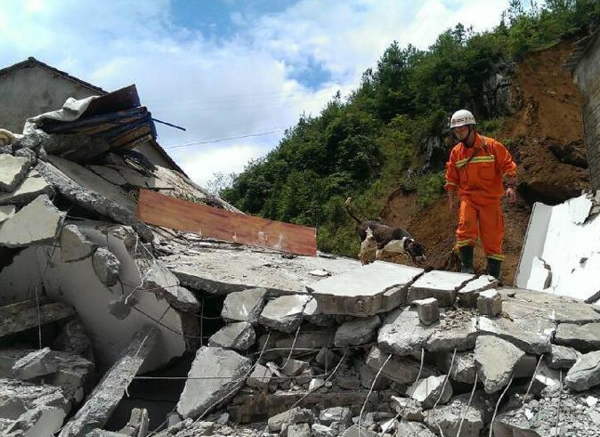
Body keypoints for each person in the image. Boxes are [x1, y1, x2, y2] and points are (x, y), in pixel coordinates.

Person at [444, 109, 517, 279]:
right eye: (456, 130)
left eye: (461, 129)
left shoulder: (491, 146)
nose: (458, 133)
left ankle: (493, 276)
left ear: (471, 127)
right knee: (465, 228)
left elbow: (508, 165)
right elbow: (451, 177)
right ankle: (467, 270)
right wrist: (451, 199)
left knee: (493, 237)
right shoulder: (456, 152)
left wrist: (511, 186)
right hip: (468, 198)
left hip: (490, 200)